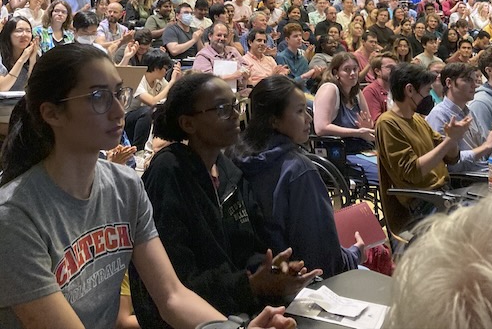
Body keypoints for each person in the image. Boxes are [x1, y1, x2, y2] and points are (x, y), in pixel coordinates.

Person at [0, 44, 293, 329]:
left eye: (118, 94)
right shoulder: (14, 216)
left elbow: (171, 296)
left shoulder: (126, 186)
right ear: (52, 113)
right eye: (99, 97)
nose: (118, 111)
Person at [130, 73, 320, 326]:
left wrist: (272, 270)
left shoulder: (229, 171)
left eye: (235, 106)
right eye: (222, 109)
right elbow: (177, 282)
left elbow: (246, 248)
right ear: (188, 123)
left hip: (238, 309)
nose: (234, 115)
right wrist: (250, 284)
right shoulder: (169, 171)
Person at [232, 76, 364, 278]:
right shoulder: (299, 170)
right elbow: (322, 261)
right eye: (300, 111)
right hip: (301, 285)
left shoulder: (232, 157)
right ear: (274, 120)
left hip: (259, 277)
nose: (309, 119)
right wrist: (355, 254)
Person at [383, 183, 492, 329]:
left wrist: (451, 158)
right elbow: (411, 173)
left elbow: (454, 161)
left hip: (448, 188)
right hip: (424, 203)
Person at [375, 63, 471, 229]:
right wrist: (449, 140)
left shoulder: (418, 119)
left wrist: (454, 138)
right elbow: (413, 172)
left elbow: (452, 158)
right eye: (427, 91)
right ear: (410, 90)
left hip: (444, 193)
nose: (430, 97)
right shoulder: (387, 123)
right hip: (423, 202)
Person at [426, 62, 492, 172]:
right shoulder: (439, 115)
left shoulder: (469, 111)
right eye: (467, 80)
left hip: (484, 172)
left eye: (474, 80)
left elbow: (485, 149)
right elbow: (447, 164)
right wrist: (486, 147)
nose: (474, 85)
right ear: (449, 83)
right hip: (464, 181)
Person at [314, 52, 378, 184]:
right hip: (340, 153)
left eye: (355, 69)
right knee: (382, 173)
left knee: (394, 167)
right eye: (347, 70)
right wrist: (358, 132)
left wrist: (366, 127)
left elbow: (368, 123)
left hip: (362, 149)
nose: (353, 73)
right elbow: (320, 128)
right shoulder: (329, 89)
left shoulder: (357, 92)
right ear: (336, 72)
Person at [362, 53, 398, 122]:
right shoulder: (370, 91)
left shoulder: (397, 88)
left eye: (395, 67)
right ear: (377, 71)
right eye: (389, 67)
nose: (394, 70)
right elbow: (377, 121)